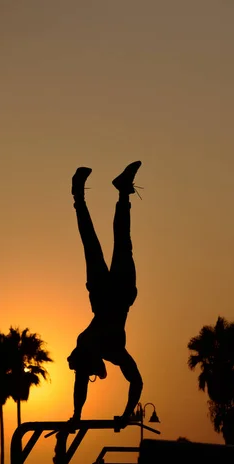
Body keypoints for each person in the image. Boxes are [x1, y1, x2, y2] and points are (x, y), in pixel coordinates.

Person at [67, 161, 143, 426]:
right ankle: (122, 190)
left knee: (92, 243)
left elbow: (80, 385)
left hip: (105, 296)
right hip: (120, 295)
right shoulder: (115, 351)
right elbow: (136, 381)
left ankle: (78, 195)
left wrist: (77, 415)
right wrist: (126, 414)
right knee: (122, 242)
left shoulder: (88, 345)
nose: (96, 372)